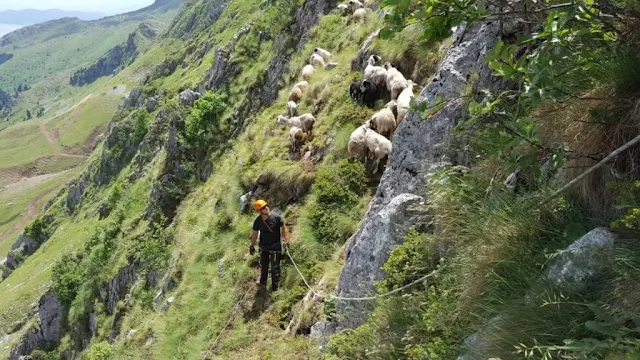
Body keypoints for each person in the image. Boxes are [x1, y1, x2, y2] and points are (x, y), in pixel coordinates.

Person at [250, 200, 290, 291]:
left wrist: (286, 241)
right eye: (263, 208)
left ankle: (275, 289)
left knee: (274, 269)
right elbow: (255, 234)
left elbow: (284, 229)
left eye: (266, 206)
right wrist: (252, 245)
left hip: (275, 248)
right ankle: (262, 286)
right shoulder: (258, 222)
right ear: (260, 211)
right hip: (264, 248)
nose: (266, 208)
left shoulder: (276, 218)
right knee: (264, 267)